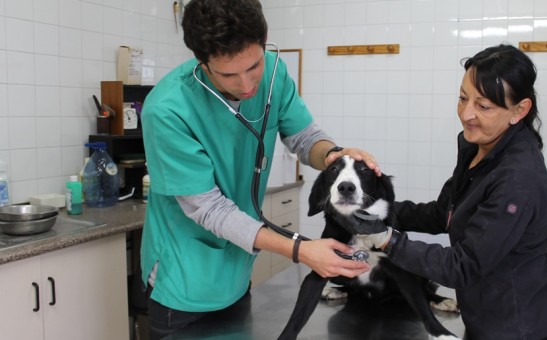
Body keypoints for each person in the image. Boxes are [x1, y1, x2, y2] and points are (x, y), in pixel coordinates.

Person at [138, 0, 379, 337]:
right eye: (227, 74)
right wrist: (300, 249)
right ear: (201, 61)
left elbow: (305, 136)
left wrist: (333, 156)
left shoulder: (274, 72)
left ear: (264, 42)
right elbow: (208, 208)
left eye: (253, 67)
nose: (247, 85)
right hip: (185, 283)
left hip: (236, 272)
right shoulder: (166, 110)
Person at [346, 44, 547, 339]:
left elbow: (465, 264)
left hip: (518, 329)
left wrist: (387, 240)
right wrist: (377, 211)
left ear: (520, 110)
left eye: (483, 106)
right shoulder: (481, 148)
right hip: (483, 320)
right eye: (463, 99)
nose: (467, 114)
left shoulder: (518, 179)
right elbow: (443, 214)